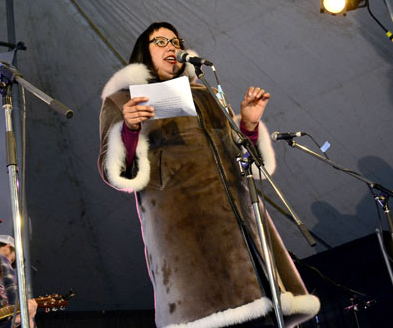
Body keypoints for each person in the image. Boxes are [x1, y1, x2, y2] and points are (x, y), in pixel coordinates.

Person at [98, 22, 320, 328]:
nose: (171, 47)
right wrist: (130, 128)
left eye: (175, 41)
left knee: (264, 318)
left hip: (241, 234)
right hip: (188, 241)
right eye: (160, 41)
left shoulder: (206, 93)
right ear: (143, 53)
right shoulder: (124, 101)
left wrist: (250, 127)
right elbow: (117, 173)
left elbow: (249, 163)